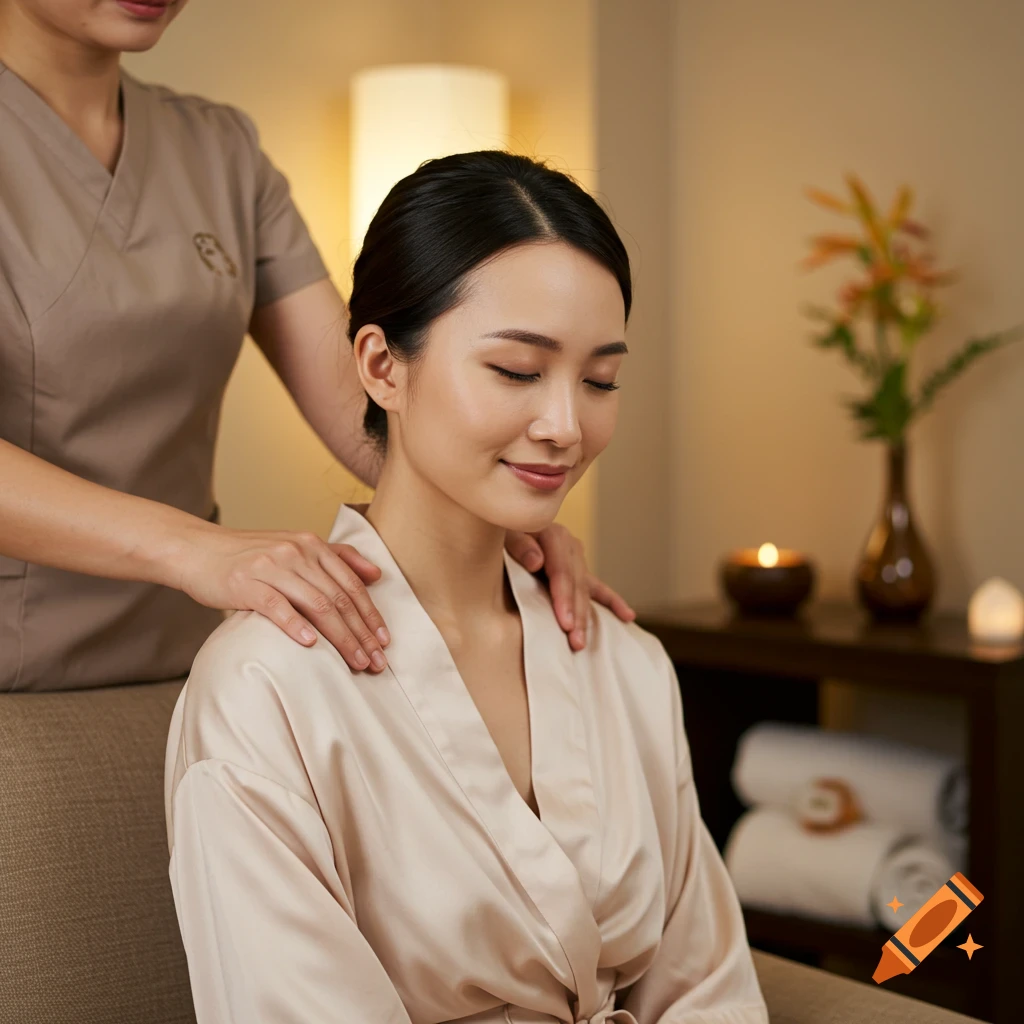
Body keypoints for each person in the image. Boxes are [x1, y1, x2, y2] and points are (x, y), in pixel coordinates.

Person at [165, 151, 769, 1024]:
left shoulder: (622, 662)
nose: (566, 425)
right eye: (518, 371)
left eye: (601, 380)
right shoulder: (266, 688)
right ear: (381, 367)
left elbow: (710, 990)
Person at [0, 0, 633, 693]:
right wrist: (191, 548)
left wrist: (498, 512)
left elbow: (365, 392)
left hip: (185, 658)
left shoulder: (218, 150)